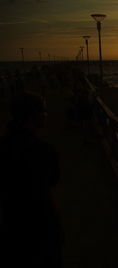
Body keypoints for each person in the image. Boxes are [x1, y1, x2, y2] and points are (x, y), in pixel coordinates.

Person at [0, 92, 63, 267]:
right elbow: (53, 180)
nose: (46, 115)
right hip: (42, 223)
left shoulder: (3, 147)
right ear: (33, 115)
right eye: (44, 111)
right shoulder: (44, 151)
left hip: (11, 223)